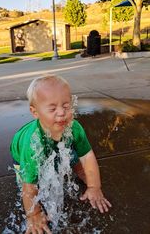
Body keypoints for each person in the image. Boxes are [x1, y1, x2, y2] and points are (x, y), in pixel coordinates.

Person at [10, 74, 112, 234]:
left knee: (71, 156)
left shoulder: (74, 127)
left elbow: (87, 156)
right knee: (27, 179)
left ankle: (80, 173)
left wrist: (94, 186)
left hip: (57, 142)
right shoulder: (32, 145)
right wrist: (34, 214)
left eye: (66, 106)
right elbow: (29, 188)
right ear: (34, 112)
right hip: (19, 152)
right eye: (52, 109)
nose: (61, 113)